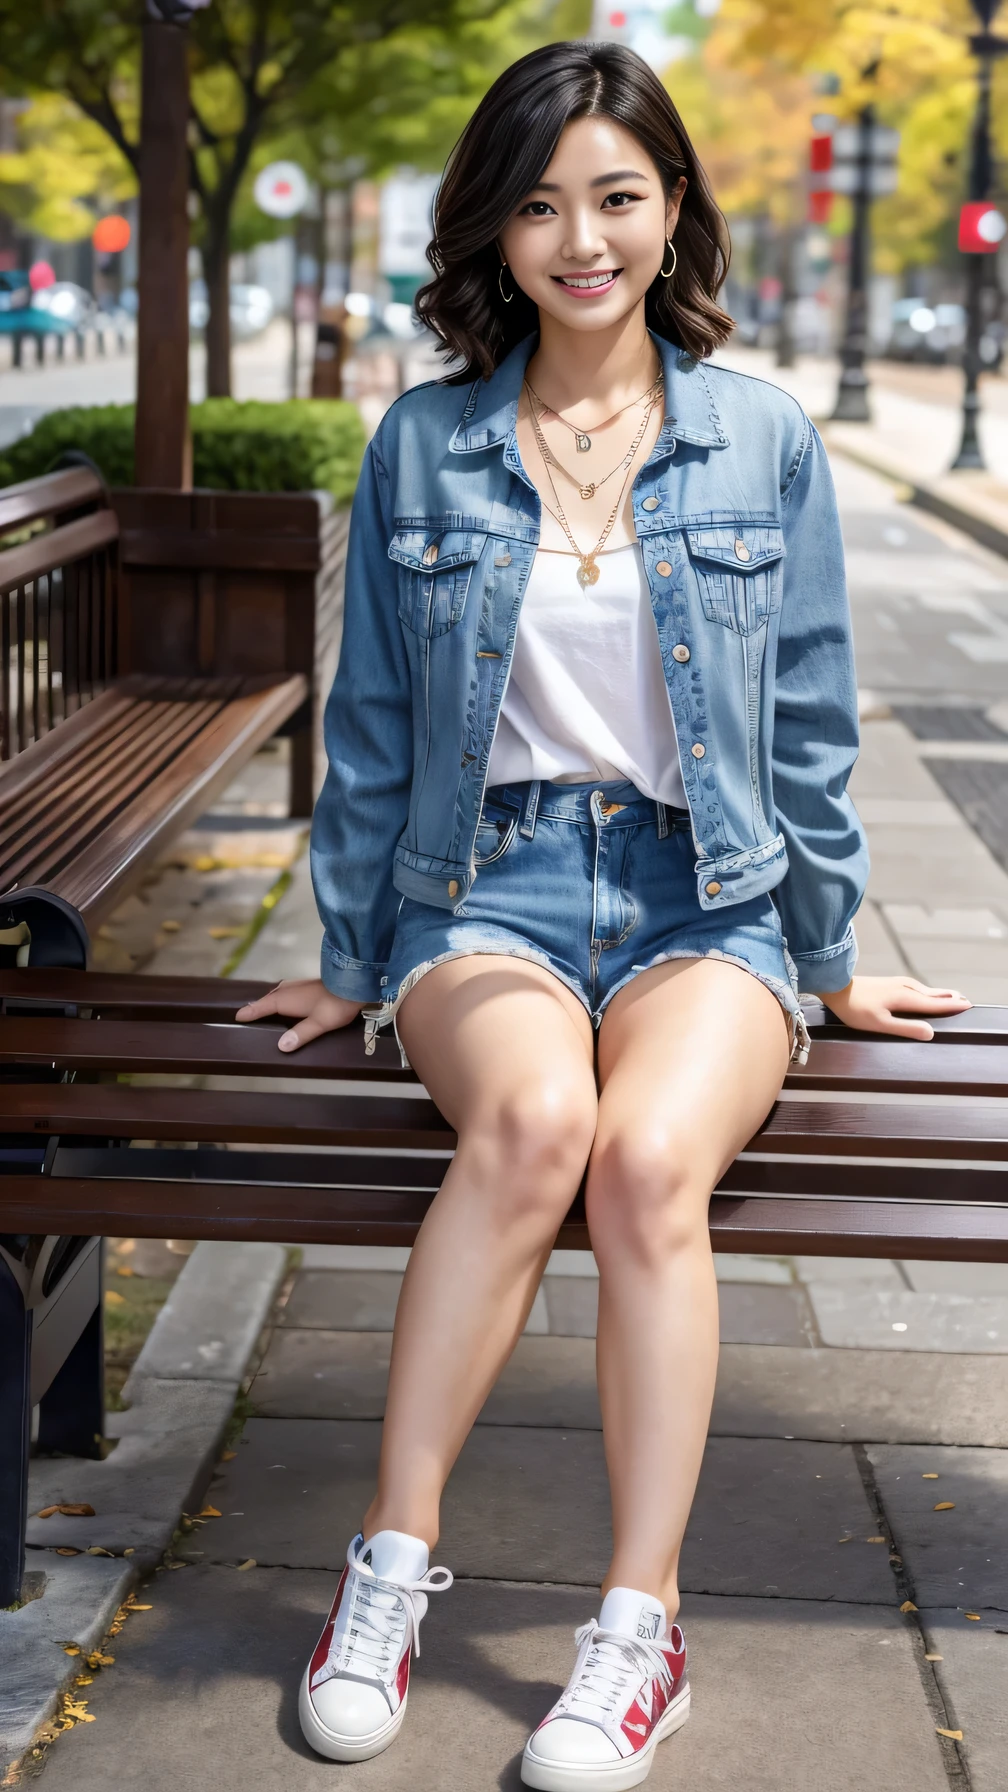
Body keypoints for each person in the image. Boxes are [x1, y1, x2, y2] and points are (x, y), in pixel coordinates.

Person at [236, 41, 970, 1791]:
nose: (583, 237)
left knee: (647, 1161)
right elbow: (380, 726)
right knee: (538, 1122)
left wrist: (825, 950)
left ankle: (636, 1634)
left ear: (671, 212)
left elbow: (803, 721)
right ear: (494, 228)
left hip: (697, 893)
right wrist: (350, 963)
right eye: (543, 202)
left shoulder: (761, 435)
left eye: (617, 198)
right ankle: (389, 1574)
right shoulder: (423, 442)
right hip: (482, 887)